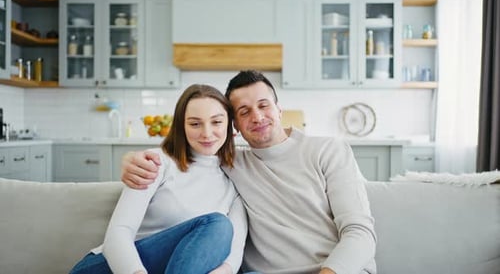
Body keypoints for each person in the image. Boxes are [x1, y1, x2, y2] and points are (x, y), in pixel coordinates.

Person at [121, 70, 377, 274]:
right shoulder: (232, 163)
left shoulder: (328, 151)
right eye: (244, 112)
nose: (257, 117)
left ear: (279, 109)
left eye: (264, 105)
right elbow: (186, 155)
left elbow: (360, 233)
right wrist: (132, 160)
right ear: (235, 126)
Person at [70, 84, 247, 274]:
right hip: (113, 268)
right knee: (218, 225)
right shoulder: (155, 163)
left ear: (230, 125)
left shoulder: (234, 182)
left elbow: (232, 258)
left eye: (216, 122)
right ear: (181, 127)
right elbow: (118, 234)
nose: (206, 132)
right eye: (195, 123)